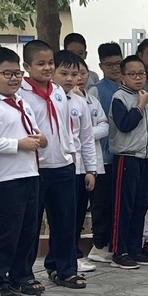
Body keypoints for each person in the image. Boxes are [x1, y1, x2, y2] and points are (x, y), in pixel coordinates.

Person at [0, 47, 47, 296]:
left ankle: (22, 275)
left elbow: (34, 132)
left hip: (30, 173)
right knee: (4, 232)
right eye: (7, 73)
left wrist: (41, 139)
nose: (14, 78)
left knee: (28, 229)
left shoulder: (22, 103)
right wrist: (17, 144)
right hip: (6, 178)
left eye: (17, 73)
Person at [19, 40, 83, 289]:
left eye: (50, 63)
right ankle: (24, 274)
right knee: (31, 225)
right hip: (36, 167)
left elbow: (66, 126)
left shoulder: (58, 91)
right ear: (27, 66)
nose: (47, 68)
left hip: (62, 165)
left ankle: (65, 269)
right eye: (40, 63)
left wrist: (70, 152)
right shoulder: (21, 93)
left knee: (66, 222)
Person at [106, 52, 148, 270]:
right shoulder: (120, 98)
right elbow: (125, 124)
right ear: (123, 77)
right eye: (133, 74)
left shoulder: (144, 95)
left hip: (144, 157)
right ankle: (120, 251)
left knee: (140, 205)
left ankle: (135, 248)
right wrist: (139, 106)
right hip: (126, 158)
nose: (138, 78)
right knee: (123, 206)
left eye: (141, 74)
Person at [54, 50, 101, 274]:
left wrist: (91, 169)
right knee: (58, 217)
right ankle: (55, 262)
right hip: (53, 168)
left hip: (78, 168)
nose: (70, 79)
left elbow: (86, 138)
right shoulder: (49, 100)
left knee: (74, 216)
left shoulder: (79, 102)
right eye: (64, 73)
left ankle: (71, 257)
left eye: (75, 74)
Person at [88, 42, 124, 263]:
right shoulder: (96, 90)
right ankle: (99, 245)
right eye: (109, 65)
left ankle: (113, 242)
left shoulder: (127, 87)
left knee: (116, 203)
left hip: (122, 156)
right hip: (103, 158)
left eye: (118, 63)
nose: (115, 68)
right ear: (101, 66)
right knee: (101, 203)